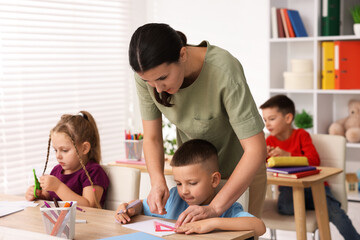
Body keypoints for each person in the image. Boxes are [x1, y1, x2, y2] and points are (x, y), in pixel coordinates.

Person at [128, 23, 267, 227]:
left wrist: (215, 207)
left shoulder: (223, 71)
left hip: (240, 173)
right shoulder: (149, 75)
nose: (158, 89)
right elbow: (152, 138)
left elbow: (255, 149)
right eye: (149, 82)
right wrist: (157, 182)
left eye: (162, 78)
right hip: (195, 177)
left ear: (182, 55)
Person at [115, 139, 266, 236]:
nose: (184, 191)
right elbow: (142, 205)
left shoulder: (227, 207)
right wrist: (129, 208)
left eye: (192, 183)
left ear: (214, 180)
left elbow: (259, 226)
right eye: (179, 183)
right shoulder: (174, 197)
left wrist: (211, 223)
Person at [260, 94, 360, 240]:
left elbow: (314, 160)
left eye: (272, 119)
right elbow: (267, 167)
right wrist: (265, 157)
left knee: (337, 214)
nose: (267, 124)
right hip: (289, 189)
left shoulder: (301, 135)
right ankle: (315, 206)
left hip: (315, 187)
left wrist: (288, 155)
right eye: (265, 120)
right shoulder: (269, 140)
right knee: (286, 208)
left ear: (288, 118)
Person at [25, 111, 109, 209]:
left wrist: (58, 187)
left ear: (84, 148)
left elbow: (90, 206)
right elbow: (49, 197)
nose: (58, 156)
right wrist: (38, 195)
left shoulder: (93, 172)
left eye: (64, 150)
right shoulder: (56, 170)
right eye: (55, 150)